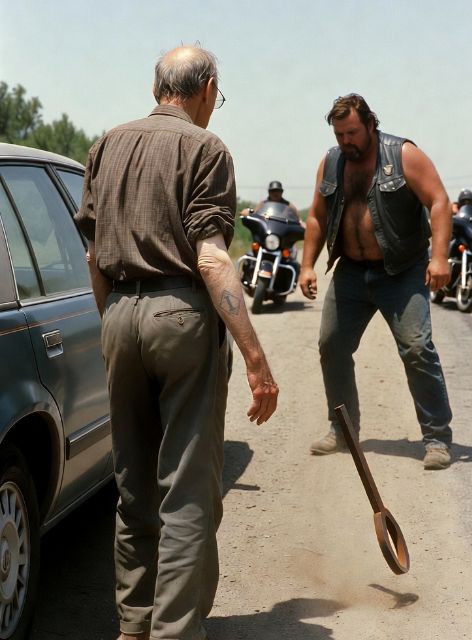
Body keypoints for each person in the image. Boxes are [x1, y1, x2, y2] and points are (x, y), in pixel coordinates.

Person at [75, 45, 278, 640]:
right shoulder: (206, 149)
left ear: (156, 87)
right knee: (185, 490)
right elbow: (212, 258)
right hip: (181, 315)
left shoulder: (106, 145)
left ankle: (134, 626)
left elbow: (94, 255)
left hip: (118, 313)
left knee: (133, 485)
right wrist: (256, 358)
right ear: (207, 88)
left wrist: (116, 320)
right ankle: (175, 632)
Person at [299, 93, 453, 471]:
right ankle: (342, 430)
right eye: (339, 135)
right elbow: (317, 216)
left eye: (352, 132)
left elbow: (438, 201)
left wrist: (438, 257)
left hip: (401, 271)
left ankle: (436, 438)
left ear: (370, 124)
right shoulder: (332, 163)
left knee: (416, 349)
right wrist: (307, 266)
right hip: (351, 272)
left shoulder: (403, 155)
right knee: (332, 346)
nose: (346, 141)